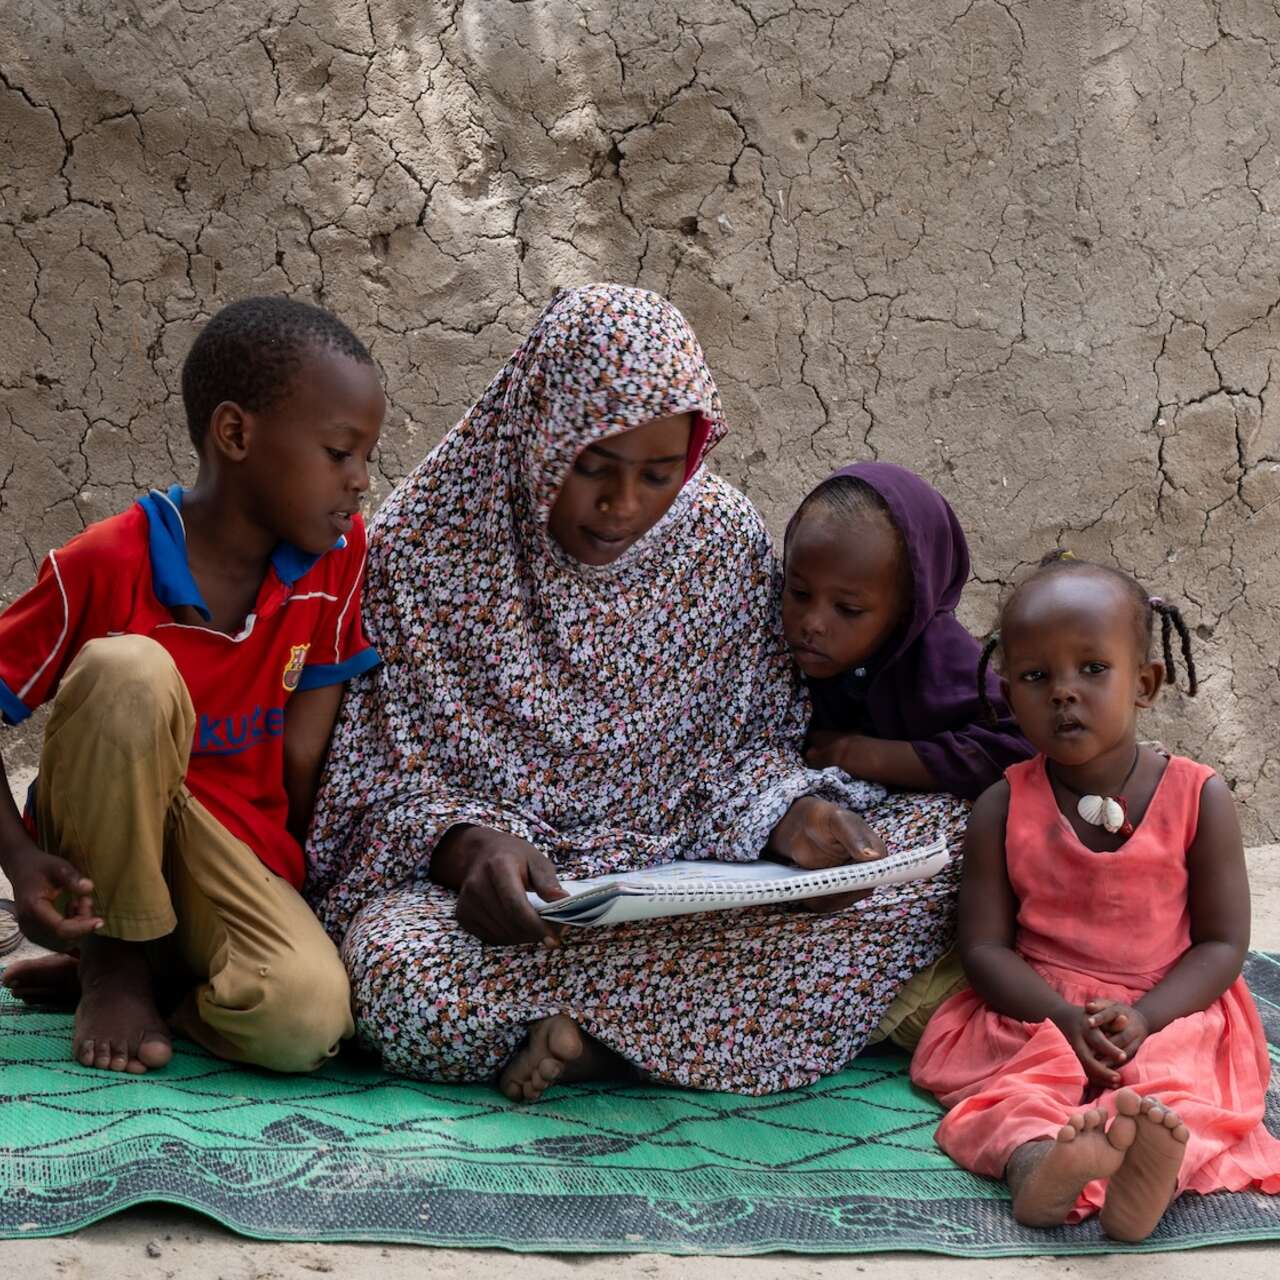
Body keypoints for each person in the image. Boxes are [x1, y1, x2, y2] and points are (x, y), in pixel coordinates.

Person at [307, 283, 970, 1101]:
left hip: (687, 871)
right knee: (403, 979)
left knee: (952, 835)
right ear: (539, 426)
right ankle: (687, 1027)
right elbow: (372, 787)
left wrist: (790, 816)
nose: (624, 507)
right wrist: (472, 849)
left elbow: (748, 749)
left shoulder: (718, 541)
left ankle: (601, 1042)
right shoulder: (424, 549)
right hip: (514, 912)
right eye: (592, 468)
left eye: (659, 475)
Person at [0, 296, 384, 1075]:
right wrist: (17, 858)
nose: (360, 482)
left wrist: (301, 911)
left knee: (303, 1021)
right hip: (100, 842)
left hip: (230, 848)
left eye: (365, 458)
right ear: (237, 434)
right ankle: (112, 961)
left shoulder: (335, 561)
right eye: (340, 453)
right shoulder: (105, 563)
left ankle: (164, 979)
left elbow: (306, 756)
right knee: (128, 669)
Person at [910, 552, 1280, 1241]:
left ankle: (1149, 1179)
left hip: (1167, 1005)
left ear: (1146, 683)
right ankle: (1041, 1170)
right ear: (1006, 695)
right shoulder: (1002, 806)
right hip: (1038, 1007)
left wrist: (1145, 1017)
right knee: (1013, 1095)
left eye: (1093, 669)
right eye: (1034, 676)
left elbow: (1223, 944)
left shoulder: (1200, 797)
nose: (1062, 692)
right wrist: (1058, 1017)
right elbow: (984, 947)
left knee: (1178, 1096)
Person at [785, 462, 1032, 799]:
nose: (812, 623)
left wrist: (862, 755)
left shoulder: (938, 655)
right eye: (799, 593)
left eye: (849, 610)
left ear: (907, 611)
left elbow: (1019, 749)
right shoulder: (765, 646)